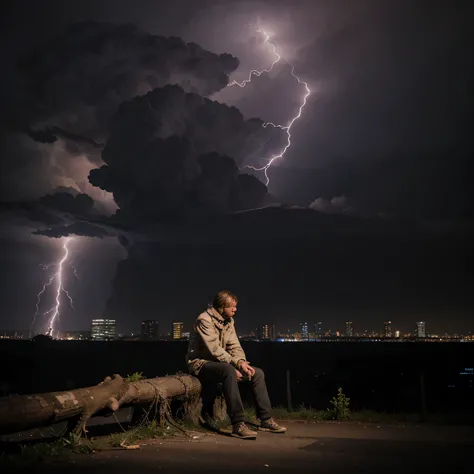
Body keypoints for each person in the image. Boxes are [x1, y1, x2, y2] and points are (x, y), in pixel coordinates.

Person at [186, 290, 286, 439]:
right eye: (232, 306)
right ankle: (238, 424)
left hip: (222, 364)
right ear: (221, 307)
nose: (235, 309)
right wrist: (234, 366)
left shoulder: (229, 321)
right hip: (201, 364)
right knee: (228, 370)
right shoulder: (204, 320)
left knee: (257, 373)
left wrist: (241, 363)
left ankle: (266, 419)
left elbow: (235, 346)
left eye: (235, 306)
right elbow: (214, 349)